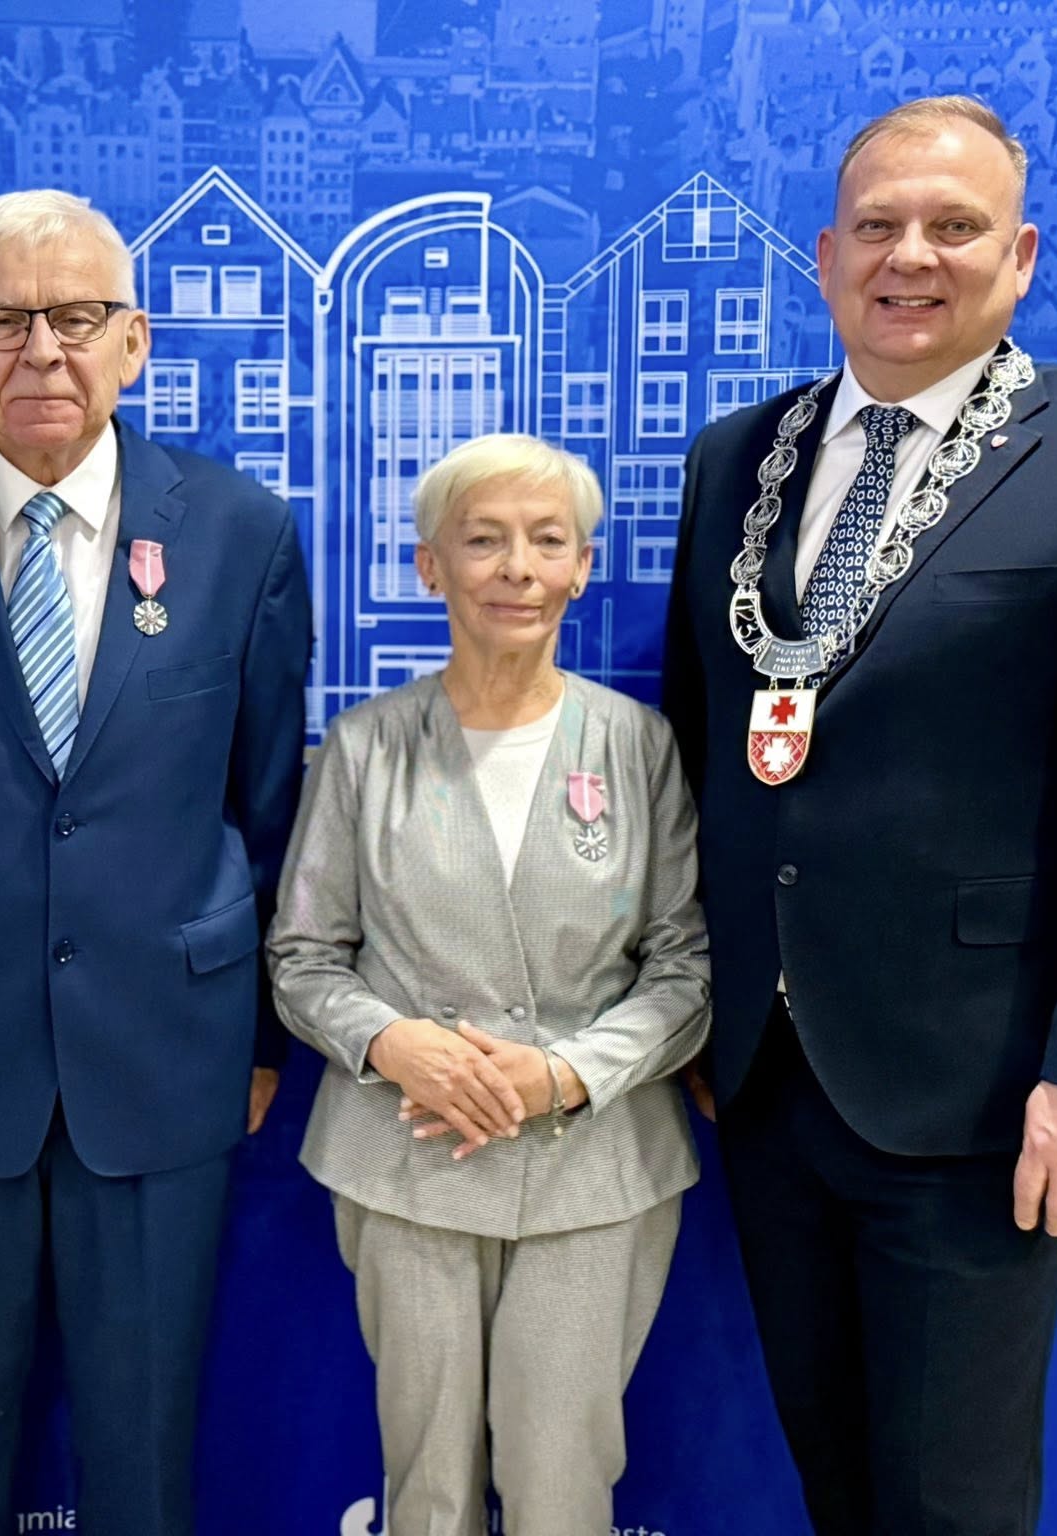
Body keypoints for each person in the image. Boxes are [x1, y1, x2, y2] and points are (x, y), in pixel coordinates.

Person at [661, 96, 1057, 1535]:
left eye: (954, 226)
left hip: (980, 1092)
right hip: (767, 1081)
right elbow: (702, 744)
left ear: (1020, 256)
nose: (908, 256)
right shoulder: (736, 459)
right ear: (825, 257)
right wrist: (700, 1010)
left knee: (952, 1505)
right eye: (877, 226)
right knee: (837, 1482)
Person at [0, 189, 312, 1536]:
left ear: (132, 342)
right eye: (1, 320)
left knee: (144, 1459)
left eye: (77, 317)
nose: (42, 350)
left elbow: (266, 805)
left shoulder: (242, 533)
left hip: (165, 1054)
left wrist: (259, 1032)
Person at [270, 433, 709, 1535]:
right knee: (427, 1487)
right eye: (483, 541)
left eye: (546, 541)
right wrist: (391, 1044)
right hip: (406, 1158)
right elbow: (303, 957)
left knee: (561, 1481)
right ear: (431, 566)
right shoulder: (365, 749)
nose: (517, 567)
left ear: (581, 567)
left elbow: (684, 968)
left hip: (593, 1170)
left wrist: (566, 1073)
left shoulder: (637, 746)